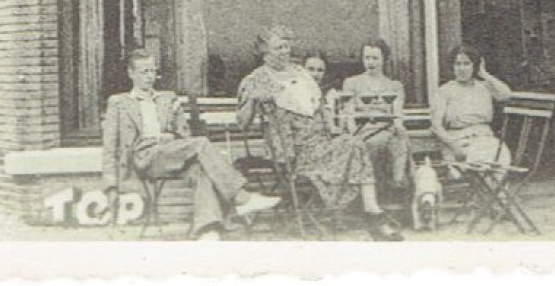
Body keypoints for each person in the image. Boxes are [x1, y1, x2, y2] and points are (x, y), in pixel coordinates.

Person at [236, 24, 403, 241]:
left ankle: (373, 211)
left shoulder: (300, 73)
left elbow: (321, 104)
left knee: (354, 143)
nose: (285, 52)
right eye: (279, 48)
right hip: (292, 151)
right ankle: (373, 215)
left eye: (287, 47)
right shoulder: (257, 79)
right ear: (264, 53)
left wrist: (331, 126)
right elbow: (242, 123)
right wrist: (253, 99)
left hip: (321, 140)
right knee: (353, 145)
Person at [101, 49, 280, 240]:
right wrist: (110, 185)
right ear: (131, 73)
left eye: (153, 71)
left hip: (170, 154)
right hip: (143, 157)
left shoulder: (167, 99)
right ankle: (241, 196)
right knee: (201, 143)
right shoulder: (119, 103)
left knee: (201, 170)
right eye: (144, 72)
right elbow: (109, 146)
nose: (150, 76)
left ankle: (208, 230)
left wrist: (171, 134)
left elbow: (184, 135)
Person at [341, 39, 412, 190]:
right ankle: (398, 182)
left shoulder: (395, 86)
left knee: (399, 138)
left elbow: (397, 112)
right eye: (367, 58)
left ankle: (397, 182)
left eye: (375, 58)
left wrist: (399, 126)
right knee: (390, 142)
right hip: (363, 130)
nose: (370, 62)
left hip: (387, 130)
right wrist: (353, 133)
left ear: (384, 59)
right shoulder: (352, 83)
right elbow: (349, 112)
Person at [430, 44, 513, 167]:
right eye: (458, 64)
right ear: (452, 67)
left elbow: (507, 95)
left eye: (467, 64)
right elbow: (436, 126)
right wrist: (454, 146)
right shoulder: (445, 90)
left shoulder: (485, 87)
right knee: (482, 162)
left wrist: (484, 74)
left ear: (475, 66)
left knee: (499, 156)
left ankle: (489, 185)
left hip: (486, 139)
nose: (462, 68)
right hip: (458, 143)